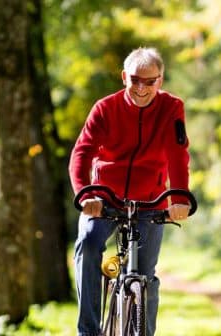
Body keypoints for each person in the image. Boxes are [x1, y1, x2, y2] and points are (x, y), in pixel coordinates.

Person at [69, 47, 191, 336]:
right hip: (105, 199)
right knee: (87, 244)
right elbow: (81, 153)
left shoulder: (171, 107)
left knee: (145, 277)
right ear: (125, 77)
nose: (142, 88)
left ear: (160, 80)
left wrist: (180, 199)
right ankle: (88, 330)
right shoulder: (105, 108)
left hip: (150, 201)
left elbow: (177, 154)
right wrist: (86, 195)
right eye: (135, 80)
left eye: (150, 82)